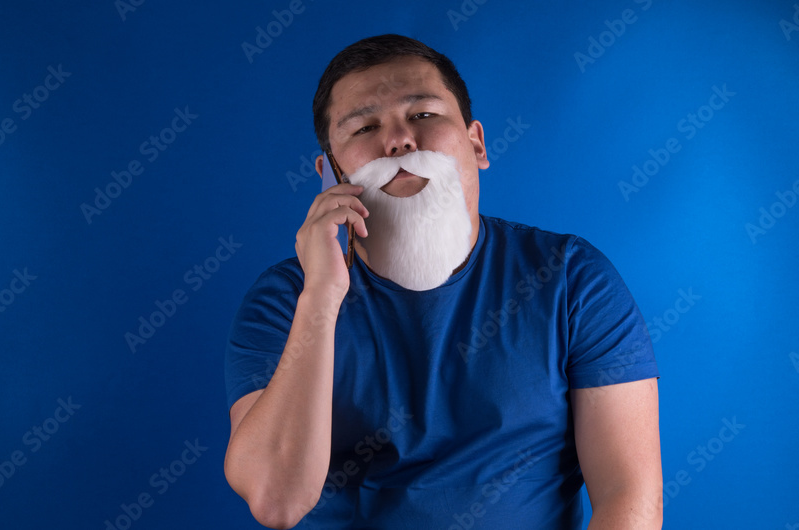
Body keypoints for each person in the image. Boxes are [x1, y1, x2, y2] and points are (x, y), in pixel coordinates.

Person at [224, 34, 662, 529]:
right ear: (329, 174)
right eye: (365, 126)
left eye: (424, 115)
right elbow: (275, 501)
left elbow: (629, 498)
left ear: (476, 143)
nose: (399, 141)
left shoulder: (571, 279)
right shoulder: (284, 301)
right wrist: (321, 297)